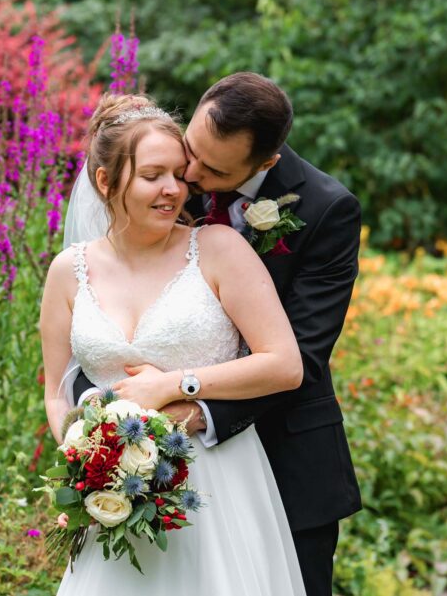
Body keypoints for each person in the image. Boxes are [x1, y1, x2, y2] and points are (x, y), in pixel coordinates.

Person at [65, 73, 362, 596]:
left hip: (286, 458)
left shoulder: (326, 210)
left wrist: (186, 402)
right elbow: (98, 313)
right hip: (150, 468)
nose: (190, 178)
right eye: (189, 155)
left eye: (211, 169)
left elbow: (302, 358)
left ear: (264, 163)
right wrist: (107, 418)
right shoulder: (166, 178)